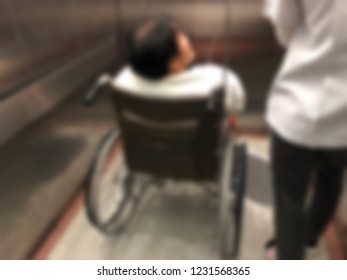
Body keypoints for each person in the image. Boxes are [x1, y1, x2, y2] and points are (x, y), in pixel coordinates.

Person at [264, 0, 347, 259]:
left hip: (298, 104)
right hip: (343, 117)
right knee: (331, 179)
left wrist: (315, 46)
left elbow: (285, 28)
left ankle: (289, 255)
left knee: (289, 197)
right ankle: (310, 235)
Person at [113, 20, 245, 115]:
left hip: (149, 149)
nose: (186, 37)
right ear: (172, 63)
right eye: (179, 37)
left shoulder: (122, 83)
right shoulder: (218, 80)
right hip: (200, 151)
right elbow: (236, 108)